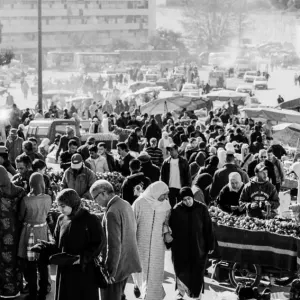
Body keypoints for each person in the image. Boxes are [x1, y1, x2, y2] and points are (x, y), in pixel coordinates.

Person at [31, 189, 104, 300]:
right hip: (65, 270)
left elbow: (99, 243)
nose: (60, 209)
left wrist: (82, 258)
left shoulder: (90, 219)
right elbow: (57, 244)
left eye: (63, 206)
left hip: (84, 271)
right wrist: (45, 246)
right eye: (59, 206)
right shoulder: (61, 219)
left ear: (73, 203)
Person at [90, 180, 142, 300]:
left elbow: (114, 245)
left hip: (116, 268)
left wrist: (109, 272)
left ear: (103, 194)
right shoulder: (125, 204)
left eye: (95, 198)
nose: (95, 202)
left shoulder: (111, 212)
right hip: (127, 264)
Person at [169, 187, 215, 300]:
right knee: (181, 269)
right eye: (184, 200)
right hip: (181, 247)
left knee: (197, 271)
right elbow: (172, 228)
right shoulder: (177, 210)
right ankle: (180, 293)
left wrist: (210, 244)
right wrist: (170, 244)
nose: (187, 202)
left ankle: (196, 294)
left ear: (193, 197)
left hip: (198, 246)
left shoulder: (201, 208)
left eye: (189, 198)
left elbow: (208, 228)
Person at [132, 181, 171, 300]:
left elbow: (166, 223)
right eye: (163, 194)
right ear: (156, 192)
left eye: (166, 194)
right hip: (141, 243)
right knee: (141, 270)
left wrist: (167, 232)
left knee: (155, 272)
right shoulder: (140, 202)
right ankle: (139, 287)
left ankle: (152, 295)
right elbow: (132, 222)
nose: (165, 197)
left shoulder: (166, 205)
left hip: (157, 245)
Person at [18, 173, 52, 300]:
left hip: (29, 232)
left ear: (31, 184)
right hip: (43, 230)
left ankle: (32, 294)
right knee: (43, 264)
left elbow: (21, 217)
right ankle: (42, 292)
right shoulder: (48, 198)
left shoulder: (26, 200)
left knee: (30, 265)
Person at [0, 166, 26, 298]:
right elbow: (24, 212)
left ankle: (5, 290)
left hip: (3, 233)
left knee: (4, 262)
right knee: (16, 259)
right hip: (18, 232)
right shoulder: (20, 191)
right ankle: (16, 287)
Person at [160, 143, 191, 208]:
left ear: (176, 150)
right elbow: (162, 176)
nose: (170, 152)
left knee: (181, 206)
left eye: (172, 150)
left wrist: (187, 187)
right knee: (171, 206)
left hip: (181, 187)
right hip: (170, 188)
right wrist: (163, 188)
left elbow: (188, 175)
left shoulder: (184, 162)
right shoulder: (166, 162)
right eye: (169, 150)